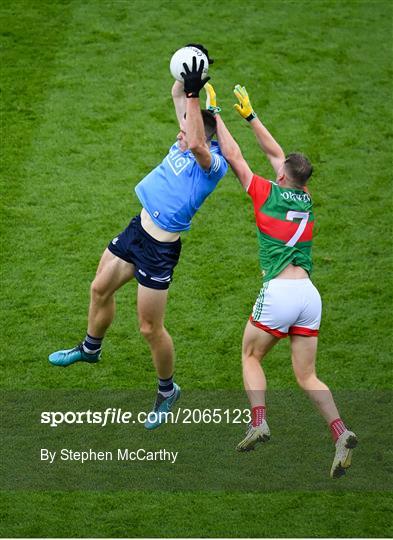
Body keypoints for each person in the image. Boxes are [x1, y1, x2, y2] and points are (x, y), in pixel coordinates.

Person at [49, 47, 228, 430]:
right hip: (137, 229)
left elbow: (196, 140)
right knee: (99, 288)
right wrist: (194, 67)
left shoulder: (212, 164)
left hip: (160, 251)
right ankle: (89, 349)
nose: (179, 132)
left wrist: (196, 98)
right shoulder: (187, 137)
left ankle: (168, 391)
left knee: (149, 328)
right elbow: (177, 94)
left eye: (186, 128)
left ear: (205, 133)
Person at [206, 82, 357, 479]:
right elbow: (278, 156)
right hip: (309, 295)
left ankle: (258, 421)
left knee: (250, 355)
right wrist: (251, 117)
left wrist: (217, 114)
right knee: (307, 375)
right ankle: (340, 432)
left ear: (283, 178)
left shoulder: (264, 193)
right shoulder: (304, 197)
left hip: (279, 292)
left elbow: (236, 156)